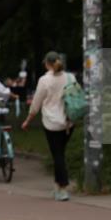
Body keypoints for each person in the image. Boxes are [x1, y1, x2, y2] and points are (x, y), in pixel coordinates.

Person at [22, 51, 73, 201]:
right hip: (69, 122)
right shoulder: (70, 77)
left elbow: (36, 104)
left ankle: (63, 189)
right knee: (60, 154)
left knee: (57, 155)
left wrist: (27, 121)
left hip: (52, 123)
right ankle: (57, 187)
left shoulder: (44, 80)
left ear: (47, 64)